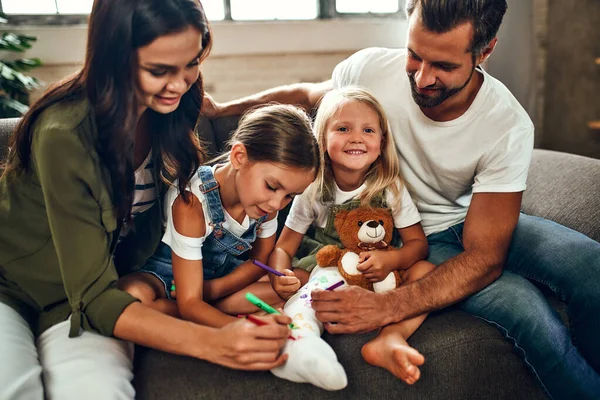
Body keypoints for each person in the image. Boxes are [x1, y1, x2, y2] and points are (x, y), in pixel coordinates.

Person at [202, 1, 600, 398]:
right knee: (528, 312)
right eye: (414, 55)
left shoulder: (506, 124)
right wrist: (224, 109)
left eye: (443, 66)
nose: (423, 77)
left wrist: (391, 306)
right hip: (410, 238)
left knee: (590, 266)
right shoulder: (372, 70)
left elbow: (484, 256)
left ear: (486, 51)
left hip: (473, 222)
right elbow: (307, 97)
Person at [0, 1, 292, 399]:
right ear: (113, 59)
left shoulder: (174, 104)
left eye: (191, 62)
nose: (181, 83)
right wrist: (216, 341)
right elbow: (95, 296)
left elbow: (101, 293)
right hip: (11, 287)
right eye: (159, 71)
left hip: (91, 295)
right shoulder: (64, 134)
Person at [265, 86, 436, 388]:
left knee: (428, 273)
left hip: (379, 279)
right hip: (328, 272)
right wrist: (282, 274)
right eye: (343, 128)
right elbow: (284, 246)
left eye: (368, 130)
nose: (356, 138)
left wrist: (391, 258)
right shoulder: (313, 189)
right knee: (309, 289)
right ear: (323, 138)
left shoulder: (390, 187)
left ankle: (390, 338)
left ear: (382, 142)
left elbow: (417, 245)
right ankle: (301, 341)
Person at [117, 103, 320, 327]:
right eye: (272, 187)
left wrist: (215, 290)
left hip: (221, 279)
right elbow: (189, 300)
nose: (277, 204)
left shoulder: (266, 204)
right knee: (133, 296)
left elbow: (260, 260)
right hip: (169, 280)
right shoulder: (191, 203)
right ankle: (221, 311)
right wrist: (238, 328)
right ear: (239, 156)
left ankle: (213, 309)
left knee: (301, 278)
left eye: (290, 196)